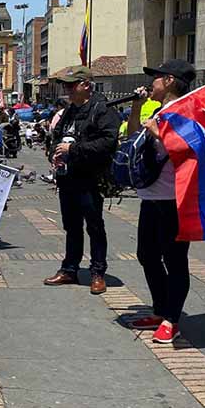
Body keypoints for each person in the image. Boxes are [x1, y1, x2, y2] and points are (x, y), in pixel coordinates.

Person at [126, 58, 196, 343]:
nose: (150, 83)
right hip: (151, 197)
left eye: (155, 77)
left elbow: (190, 151)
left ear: (169, 81)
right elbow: (132, 136)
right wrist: (136, 108)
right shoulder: (158, 111)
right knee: (147, 255)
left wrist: (158, 131)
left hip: (174, 201)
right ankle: (160, 309)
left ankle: (172, 319)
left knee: (175, 260)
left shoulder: (185, 113)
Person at [44, 66, 120, 295]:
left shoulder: (102, 109)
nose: (67, 89)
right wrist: (55, 154)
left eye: (71, 84)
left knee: (94, 226)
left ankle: (98, 272)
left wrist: (73, 149)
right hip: (68, 178)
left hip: (91, 179)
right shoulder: (69, 111)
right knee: (71, 226)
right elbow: (56, 138)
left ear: (86, 84)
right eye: (65, 85)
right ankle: (70, 269)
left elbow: (108, 143)